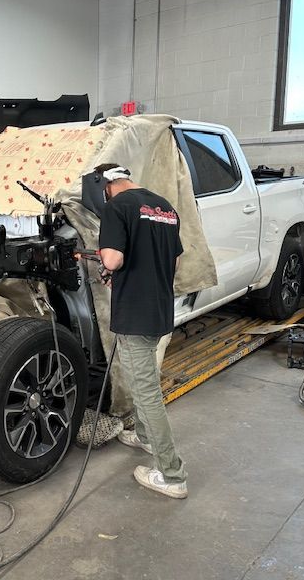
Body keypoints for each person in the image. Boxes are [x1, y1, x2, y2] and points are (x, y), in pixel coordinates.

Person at [96, 163, 188, 499]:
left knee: (147, 392)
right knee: (140, 378)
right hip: (161, 309)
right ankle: (146, 438)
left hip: (135, 313)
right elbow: (175, 260)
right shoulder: (164, 206)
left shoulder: (116, 207)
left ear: (106, 185)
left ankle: (172, 474)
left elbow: (112, 261)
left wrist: (106, 259)